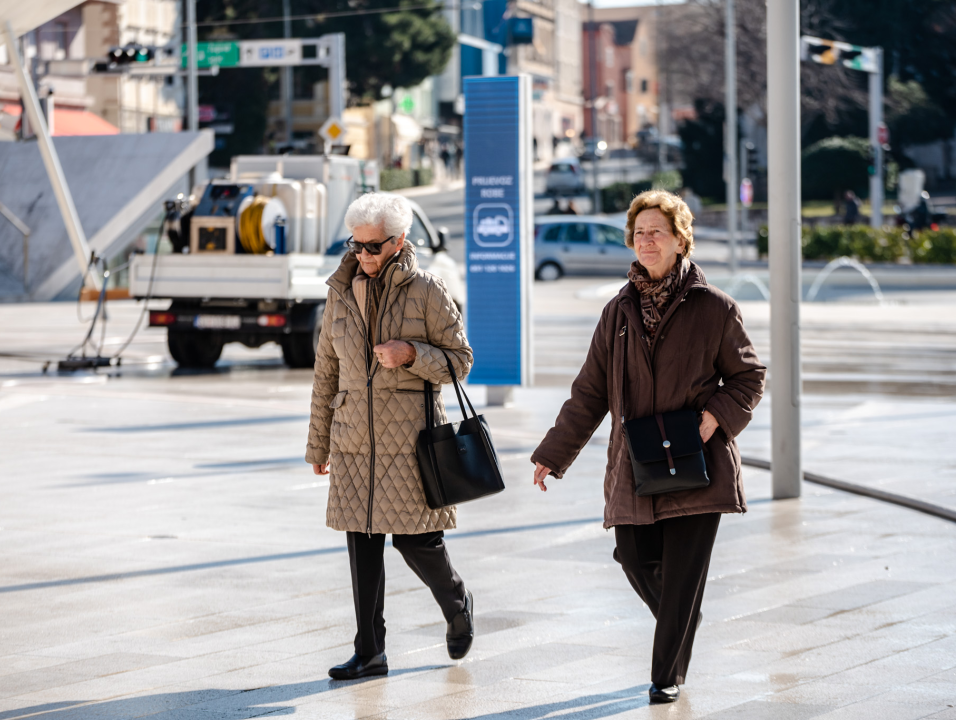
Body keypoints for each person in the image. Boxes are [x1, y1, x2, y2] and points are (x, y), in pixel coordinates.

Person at [530, 190, 765, 705]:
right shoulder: (617, 310)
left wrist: (712, 421)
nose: (646, 241)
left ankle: (666, 676)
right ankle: (681, 619)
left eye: (657, 232)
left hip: (698, 460)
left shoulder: (715, 307)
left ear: (681, 240)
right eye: (639, 233)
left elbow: (748, 377)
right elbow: (590, 390)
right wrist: (554, 451)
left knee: (682, 571)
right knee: (632, 556)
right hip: (637, 462)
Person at [306, 193, 475, 681]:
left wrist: (411, 354)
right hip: (354, 437)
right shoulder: (339, 292)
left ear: (399, 241)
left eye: (373, 247)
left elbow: (460, 361)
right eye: (356, 245)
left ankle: (457, 600)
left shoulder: (427, 290)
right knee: (361, 544)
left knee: (416, 540)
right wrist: (318, 444)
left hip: (411, 440)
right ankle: (370, 652)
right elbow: (326, 373)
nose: (363, 256)